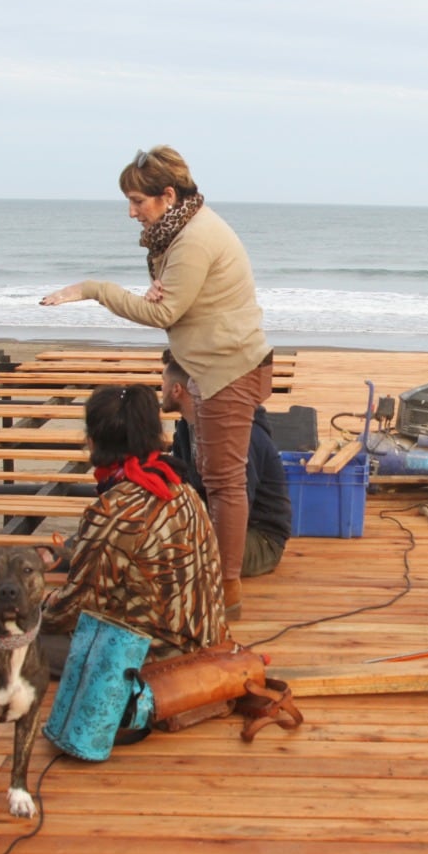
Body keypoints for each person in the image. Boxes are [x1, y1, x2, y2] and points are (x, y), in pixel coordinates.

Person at [41, 146, 272, 621]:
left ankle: (227, 593)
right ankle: (215, 577)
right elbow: (182, 297)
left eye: (137, 201)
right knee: (212, 474)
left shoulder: (193, 239)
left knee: (225, 484)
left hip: (227, 367)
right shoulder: (182, 229)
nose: (131, 212)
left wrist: (94, 289)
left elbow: (163, 313)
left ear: (167, 195)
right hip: (214, 363)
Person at [45, 385, 230, 663]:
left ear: (92, 441)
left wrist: (40, 605)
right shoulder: (182, 489)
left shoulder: (115, 511)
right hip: (207, 645)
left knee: (14, 638)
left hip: (153, 659)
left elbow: (71, 611)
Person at [161, 351, 291, 578]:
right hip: (212, 524)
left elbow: (240, 501)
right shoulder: (185, 429)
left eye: (163, 382)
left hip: (259, 538)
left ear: (177, 389)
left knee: (168, 555)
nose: (160, 390)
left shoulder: (237, 433)